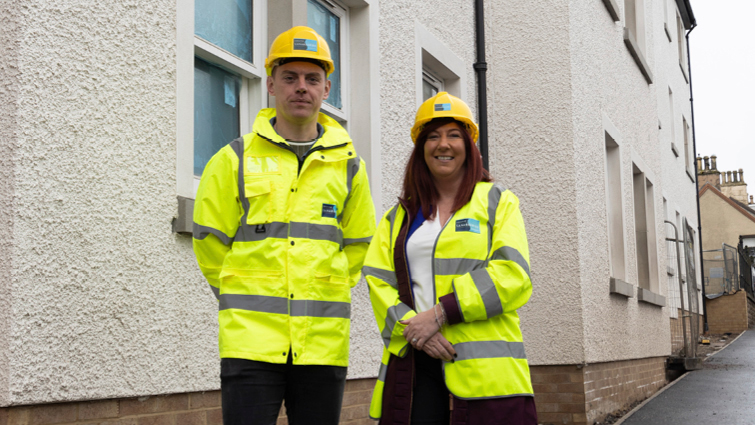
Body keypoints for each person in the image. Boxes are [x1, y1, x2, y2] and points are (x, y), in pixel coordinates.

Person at [192, 26, 376, 425]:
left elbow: (360, 244)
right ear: (272, 85)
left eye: (312, 79)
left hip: (321, 345)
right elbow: (208, 240)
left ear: (327, 89)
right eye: (289, 77)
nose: (301, 87)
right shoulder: (233, 159)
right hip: (250, 344)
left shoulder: (349, 167)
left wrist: (324, 289)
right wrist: (240, 293)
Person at [363, 92, 537, 425]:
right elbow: (377, 279)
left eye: (454, 134)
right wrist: (417, 331)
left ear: (469, 146)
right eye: (433, 136)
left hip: (487, 373)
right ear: (421, 149)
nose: (443, 144)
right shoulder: (399, 216)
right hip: (415, 364)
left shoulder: (498, 201)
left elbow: (513, 274)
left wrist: (441, 313)